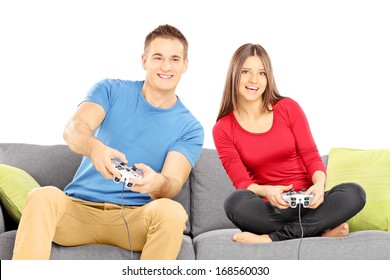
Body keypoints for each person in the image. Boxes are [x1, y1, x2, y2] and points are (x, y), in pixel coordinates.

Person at [12, 24, 204, 260]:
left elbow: (173, 182)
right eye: (158, 57)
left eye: (174, 59)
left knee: (172, 211)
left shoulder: (190, 127)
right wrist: (95, 148)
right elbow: (73, 129)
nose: (166, 66)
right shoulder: (110, 90)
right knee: (41, 196)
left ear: (185, 64)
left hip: (134, 220)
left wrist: (157, 183)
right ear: (144, 61)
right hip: (78, 211)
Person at [212, 43, 366, 244]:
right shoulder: (223, 128)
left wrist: (319, 185)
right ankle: (318, 231)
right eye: (245, 72)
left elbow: (310, 155)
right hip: (273, 209)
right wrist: (268, 191)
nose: (253, 80)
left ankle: (272, 238)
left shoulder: (288, 108)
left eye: (262, 73)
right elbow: (243, 183)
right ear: (234, 75)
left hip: (310, 203)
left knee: (355, 192)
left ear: (269, 78)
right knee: (235, 202)